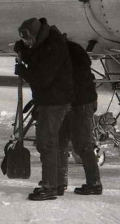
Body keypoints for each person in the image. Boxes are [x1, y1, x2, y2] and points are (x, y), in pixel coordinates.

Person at [14, 18, 74, 200]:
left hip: (55, 101)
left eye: (28, 39)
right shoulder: (45, 43)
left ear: (37, 35)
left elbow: (42, 77)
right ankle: (56, 183)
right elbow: (36, 56)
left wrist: (22, 71)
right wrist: (23, 50)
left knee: (46, 143)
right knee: (54, 142)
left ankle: (49, 187)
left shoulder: (53, 47)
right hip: (52, 99)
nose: (27, 43)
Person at [57, 39, 102, 195]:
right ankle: (59, 181)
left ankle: (94, 183)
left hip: (79, 105)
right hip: (77, 104)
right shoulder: (76, 58)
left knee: (82, 144)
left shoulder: (69, 62)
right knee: (61, 142)